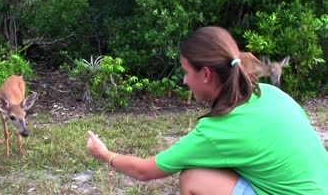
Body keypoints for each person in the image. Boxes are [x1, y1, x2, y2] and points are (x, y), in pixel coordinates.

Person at [86, 26, 328, 194]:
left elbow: (144, 170)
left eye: (186, 71)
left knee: (193, 176)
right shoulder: (274, 94)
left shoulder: (216, 131)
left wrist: (104, 154)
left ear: (205, 74)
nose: (184, 81)